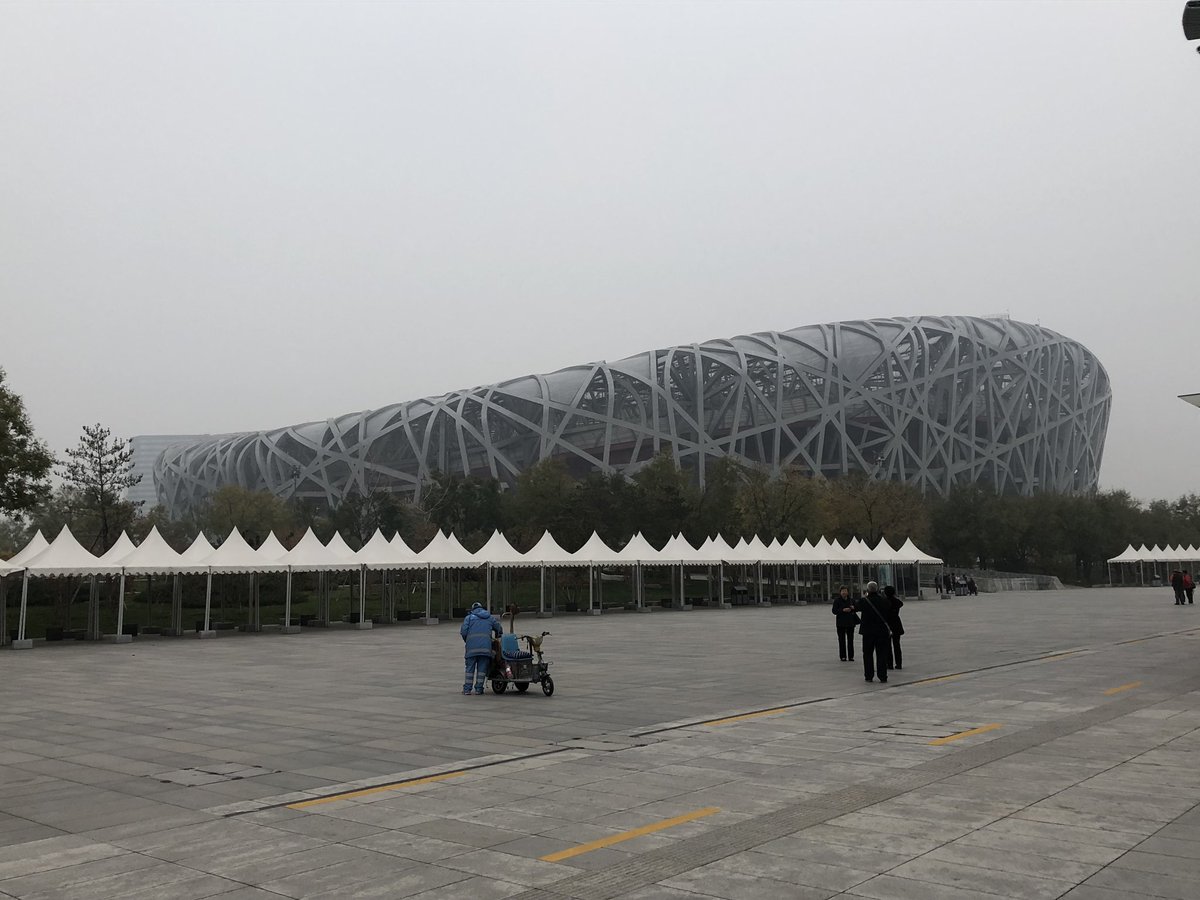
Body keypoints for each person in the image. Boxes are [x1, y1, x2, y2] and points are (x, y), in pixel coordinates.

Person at [854, 581, 893, 683]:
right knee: (881, 655)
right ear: (877, 589)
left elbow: (856, 607)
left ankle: (869, 675)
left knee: (867, 654)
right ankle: (882, 676)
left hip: (867, 632)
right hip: (881, 632)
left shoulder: (864, 601)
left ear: (867, 590)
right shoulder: (884, 600)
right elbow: (889, 609)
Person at [460, 601, 503, 695]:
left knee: (469, 670)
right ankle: (479, 689)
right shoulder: (489, 618)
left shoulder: (469, 618)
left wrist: (467, 641)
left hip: (471, 649)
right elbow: (499, 628)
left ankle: (467, 690)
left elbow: (463, 632)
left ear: (472, 610)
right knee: (482, 670)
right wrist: (497, 635)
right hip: (485, 648)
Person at [832, 585, 859, 662]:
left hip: (850, 623)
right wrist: (843, 610)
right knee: (841, 640)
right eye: (842, 591)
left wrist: (854, 608)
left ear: (848, 592)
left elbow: (857, 608)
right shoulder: (837, 601)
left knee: (850, 640)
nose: (844, 592)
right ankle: (843, 656)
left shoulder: (851, 600)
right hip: (841, 623)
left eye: (845, 591)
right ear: (840, 592)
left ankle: (851, 656)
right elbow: (834, 611)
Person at [883, 585, 905, 669]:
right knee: (897, 645)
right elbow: (900, 604)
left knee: (888, 645)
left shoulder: (884, 602)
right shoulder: (897, 602)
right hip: (896, 624)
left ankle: (889, 664)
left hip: (887, 625)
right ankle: (899, 663)